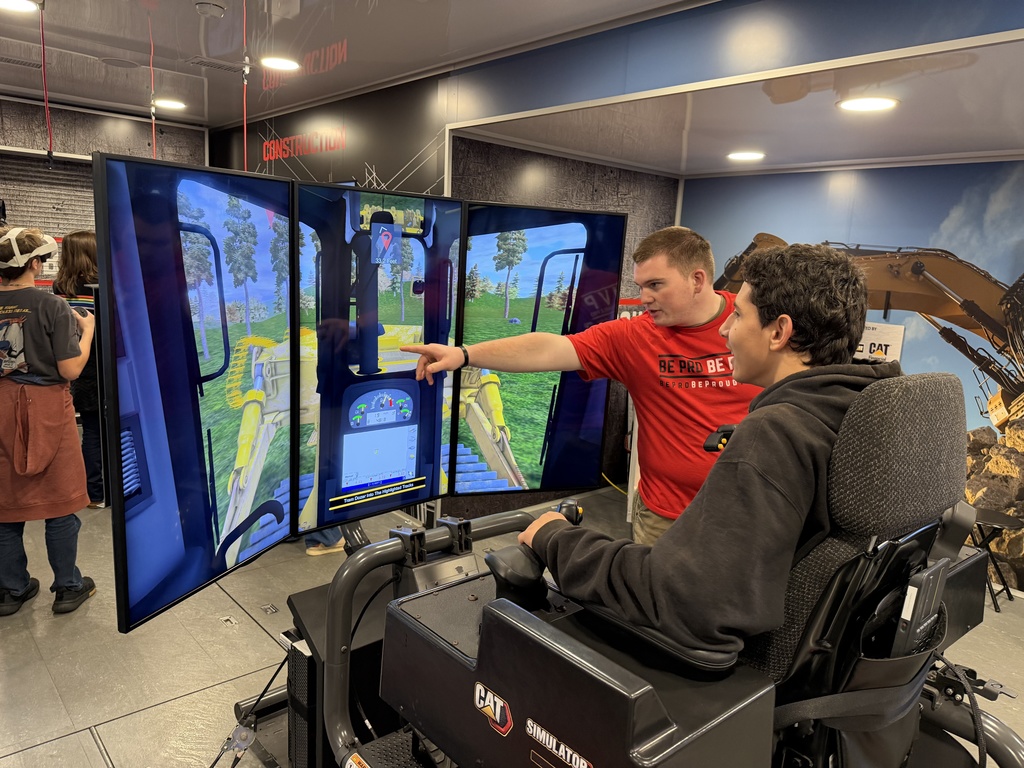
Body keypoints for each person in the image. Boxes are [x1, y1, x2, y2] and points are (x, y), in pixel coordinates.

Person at [514, 243, 899, 654]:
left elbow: (683, 599)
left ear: (779, 331)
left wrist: (554, 539)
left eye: (739, 315)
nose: (725, 330)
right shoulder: (861, 411)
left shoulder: (774, 434)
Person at [403, 226, 760, 544]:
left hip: (751, 513)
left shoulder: (754, 324)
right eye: (640, 286)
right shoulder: (634, 336)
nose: (644, 297)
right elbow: (551, 348)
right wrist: (464, 354)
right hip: (664, 515)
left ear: (697, 280)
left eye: (655, 285)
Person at [0, 226, 97, 616]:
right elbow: (70, 369)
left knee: (5, 503)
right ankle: (68, 587)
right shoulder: (51, 306)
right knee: (60, 500)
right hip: (45, 408)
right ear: (35, 263)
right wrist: (86, 331)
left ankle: (11, 589)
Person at [52, 230, 105, 509]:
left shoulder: (59, 289)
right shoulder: (105, 287)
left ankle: (94, 493)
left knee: (92, 431)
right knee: (110, 431)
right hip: (108, 367)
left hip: (81, 366)